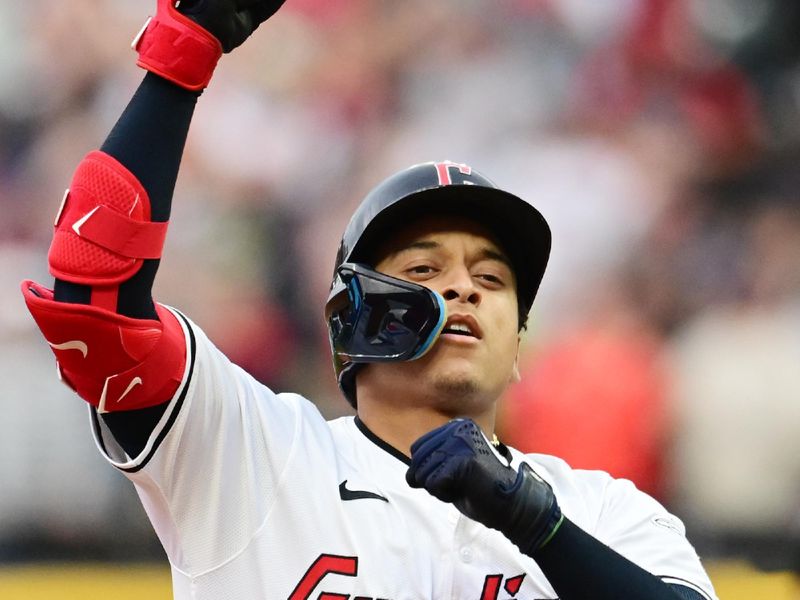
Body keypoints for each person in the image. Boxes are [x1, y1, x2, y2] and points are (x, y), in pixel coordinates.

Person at [21, 1, 718, 598]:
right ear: (351, 317)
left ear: (518, 345)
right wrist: (180, 56)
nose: (463, 288)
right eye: (424, 265)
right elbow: (95, 300)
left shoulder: (604, 513)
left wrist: (537, 525)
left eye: (493, 278)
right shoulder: (256, 453)